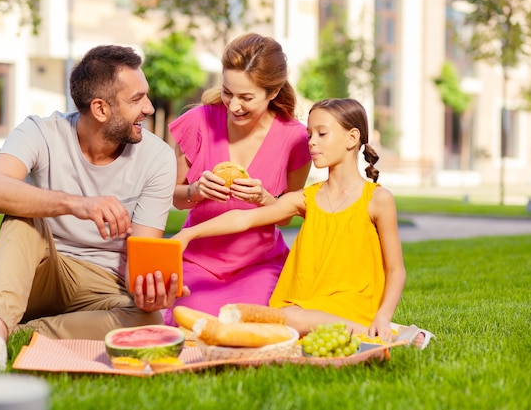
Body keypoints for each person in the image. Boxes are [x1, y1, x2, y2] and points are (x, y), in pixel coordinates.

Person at [0, 45, 188, 373]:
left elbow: (141, 257)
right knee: (22, 215)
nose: (149, 108)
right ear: (100, 108)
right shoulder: (41, 132)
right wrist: (76, 204)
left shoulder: (157, 157)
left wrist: (149, 290)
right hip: (42, 271)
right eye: (136, 99)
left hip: (105, 283)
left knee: (147, 319)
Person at [172, 98, 433, 347]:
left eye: (322, 134)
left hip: (353, 302)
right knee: (278, 320)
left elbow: (396, 270)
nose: (311, 143)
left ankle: (384, 332)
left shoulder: (378, 200)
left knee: (281, 320)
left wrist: (383, 316)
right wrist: (189, 234)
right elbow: (244, 217)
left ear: (352, 138)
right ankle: (369, 334)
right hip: (304, 303)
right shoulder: (306, 198)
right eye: (309, 135)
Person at [165, 33, 312, 322]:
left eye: (246, 97)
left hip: (259, 265)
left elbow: (284, 217)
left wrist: (264, 199)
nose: (234, 106)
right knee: (189, 324)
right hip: (198, 262)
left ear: (272, 92)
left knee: (249, 324)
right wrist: (196, 190)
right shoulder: (199, 121)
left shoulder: (295, 138)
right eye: (228, 93)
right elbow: (175, 198)